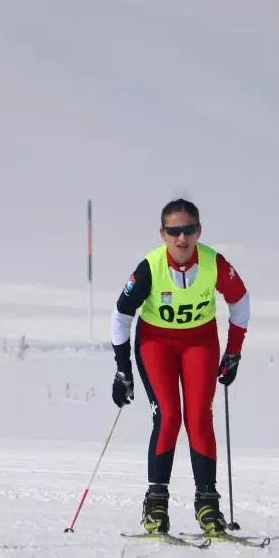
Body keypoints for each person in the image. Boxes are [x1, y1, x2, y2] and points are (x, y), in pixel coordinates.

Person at [110, 198, 250, 535]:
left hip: (198, 342)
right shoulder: (150, 267)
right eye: (174, 231)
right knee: (169, 415)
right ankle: (156, 503)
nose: (181, 239)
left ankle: (208, 505)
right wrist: (122, 368)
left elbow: (240, 302)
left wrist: (233, 353)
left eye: (188, 230)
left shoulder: (214, 263)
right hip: (156, 343)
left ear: (198, 231)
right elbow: (121, 316)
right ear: (163, 234)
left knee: (199, 416)